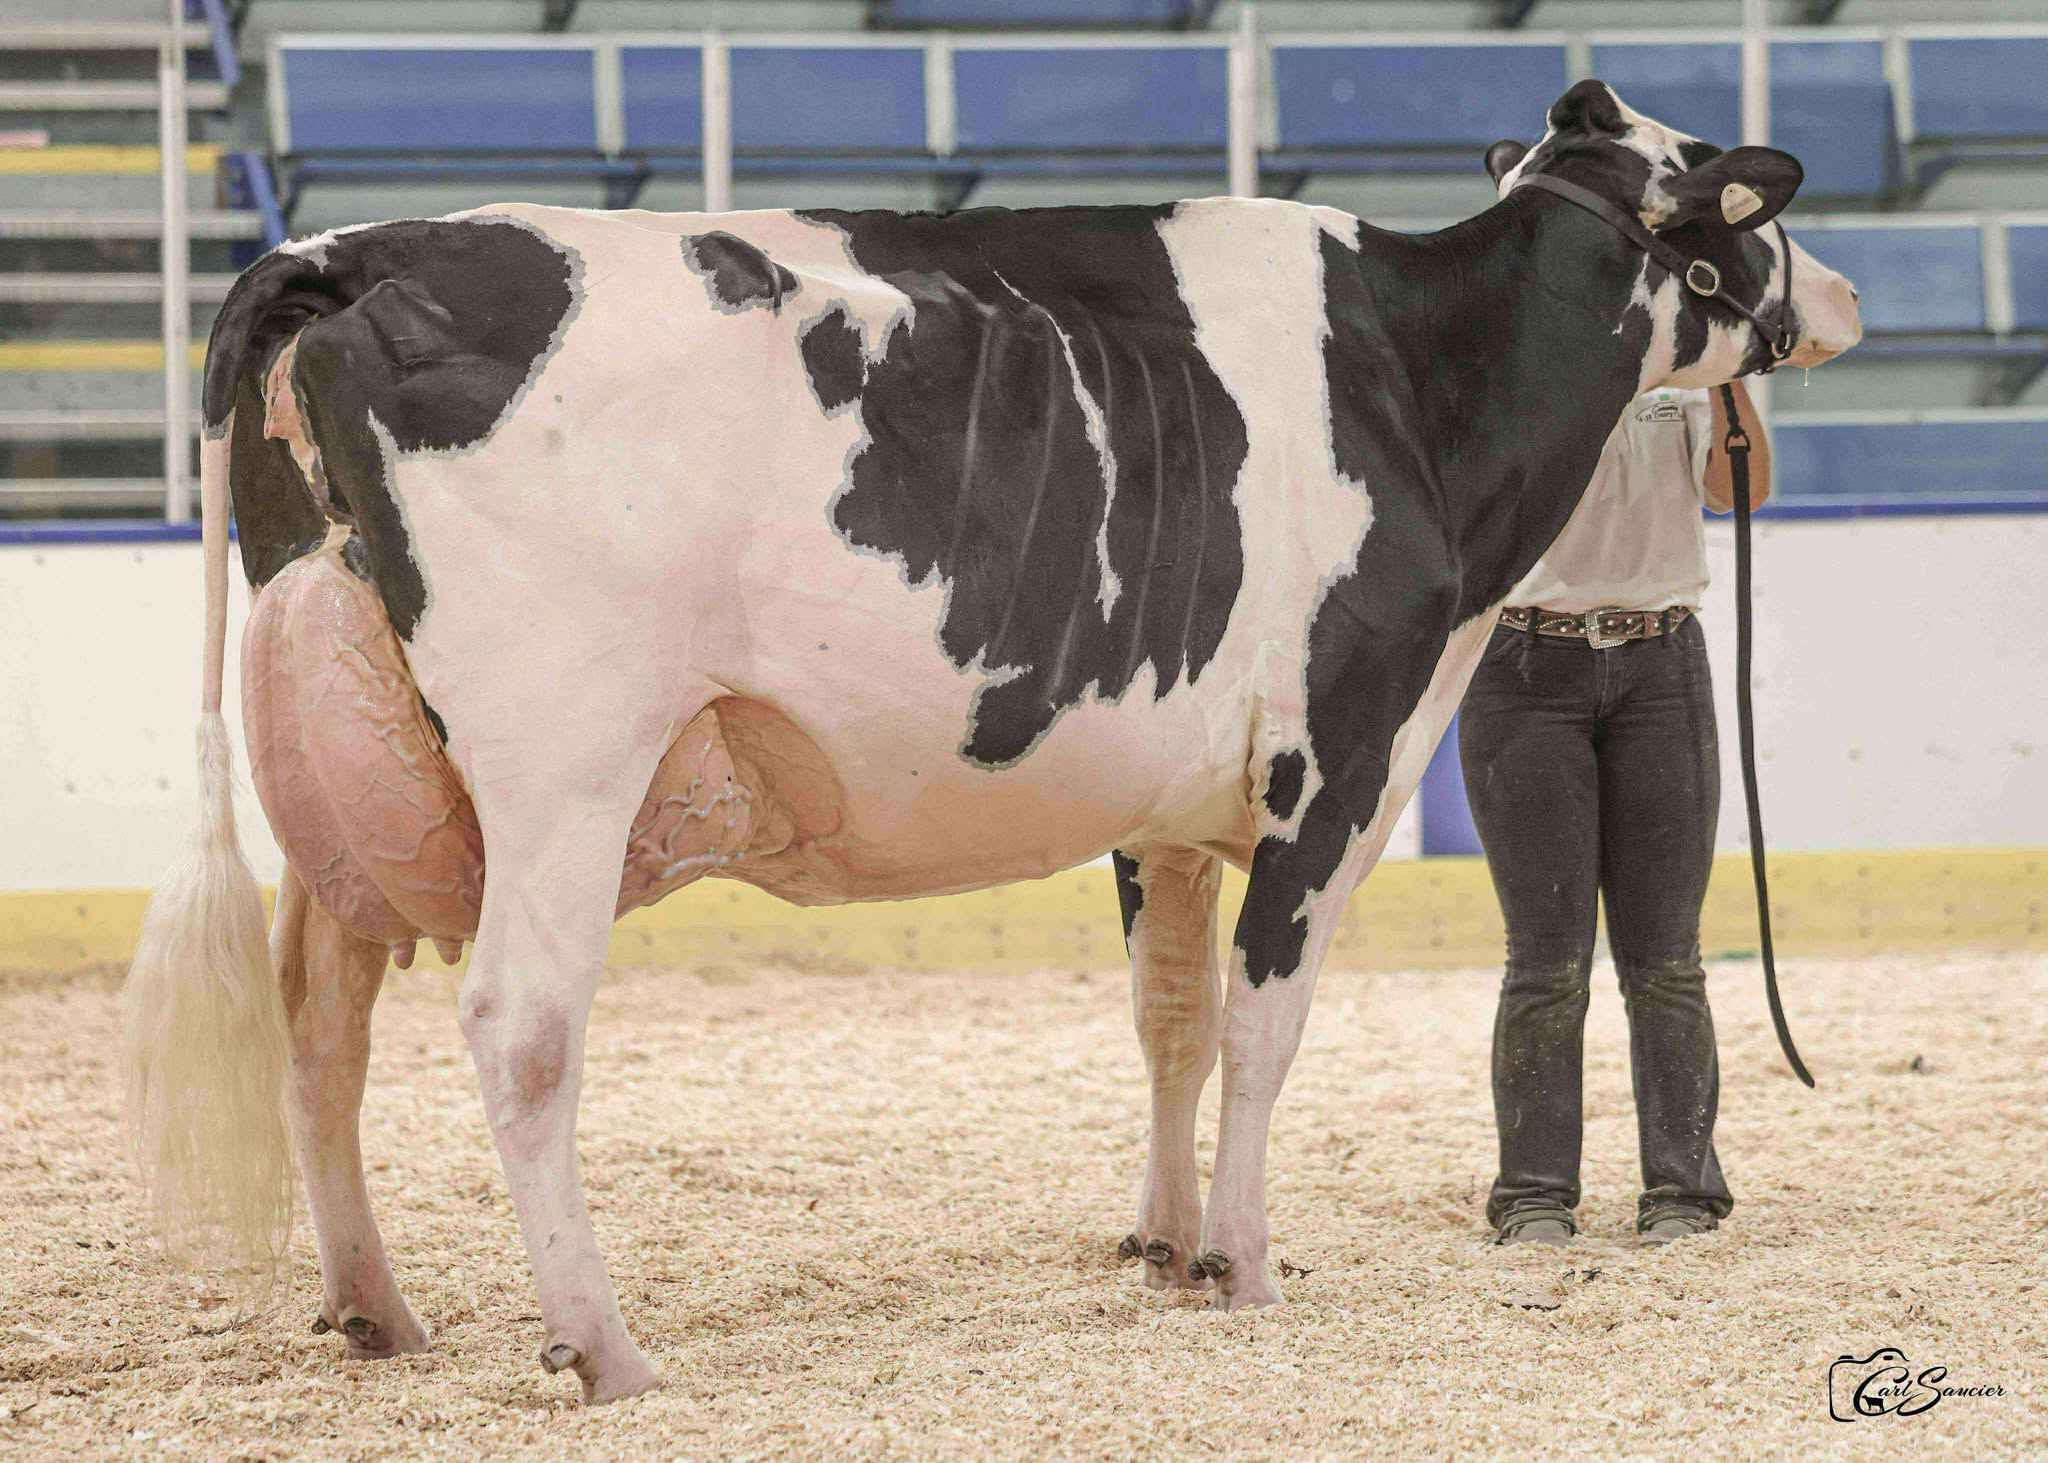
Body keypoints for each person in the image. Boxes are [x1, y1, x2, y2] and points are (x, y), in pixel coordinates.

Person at [1457, 380, 1771, 1248]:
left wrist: (1731, 375)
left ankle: (1683, 1190)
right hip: (1524, 661)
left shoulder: (1702, 371)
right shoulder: (1536, 354)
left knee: (1666, 956)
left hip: (1663, 660)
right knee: (1546, 958)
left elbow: (1741, 490)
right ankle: (1532, 1193)